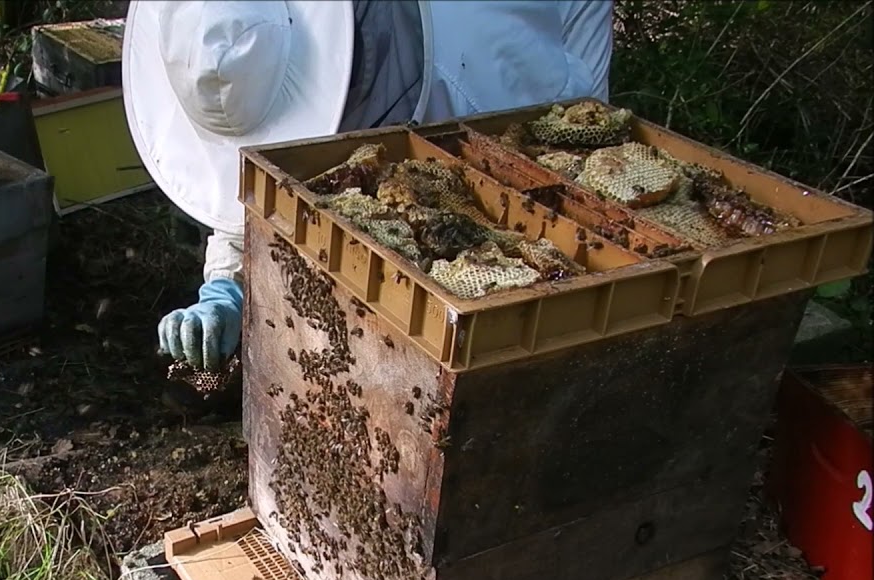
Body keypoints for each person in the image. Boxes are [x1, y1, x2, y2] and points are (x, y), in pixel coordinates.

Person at [123, 0, 614, 372]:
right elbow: (258, 177)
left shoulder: (480, 81)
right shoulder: (253, 37)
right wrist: (225, 285)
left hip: (529, 81)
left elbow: (565, 154)